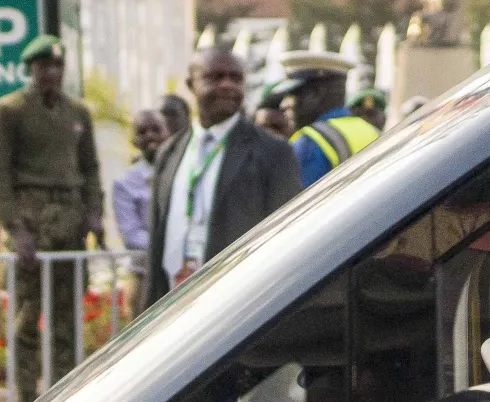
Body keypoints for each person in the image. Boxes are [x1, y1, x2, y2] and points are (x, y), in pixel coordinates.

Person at [0, 36, 102, 397]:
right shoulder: (10, 110)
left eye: (56, 67)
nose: (50, 73)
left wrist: (94, 213)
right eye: (42, 67)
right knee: (26, 318)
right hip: (31, 218)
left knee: (66, 317)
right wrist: (15, 226)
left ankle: (64, 396)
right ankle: (25, 399)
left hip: (70, 217)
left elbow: (90, 167)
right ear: (30, 70)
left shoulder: (78, 112)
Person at [145, 46, 301, 308]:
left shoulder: (272, 152)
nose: (227, 85)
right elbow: (156, 243)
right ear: (190, 84)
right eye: (215, 77)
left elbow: (287, 238)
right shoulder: (169, 153)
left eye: (236, 78)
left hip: (236, 307)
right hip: (172, 306)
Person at [277, 51, 380, 187]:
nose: (284, 104)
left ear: (316, 93)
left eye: (293, 95)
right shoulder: (369, 130)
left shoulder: (309, 143)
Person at [112, 110, 169, 254]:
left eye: (156, 129)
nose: (150, 135)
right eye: (142, 132)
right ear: (134, 140)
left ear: (168, 133)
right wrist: (169, 244)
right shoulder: (124, 183)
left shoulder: (185, 171)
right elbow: (131, 235)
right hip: (145, 266)